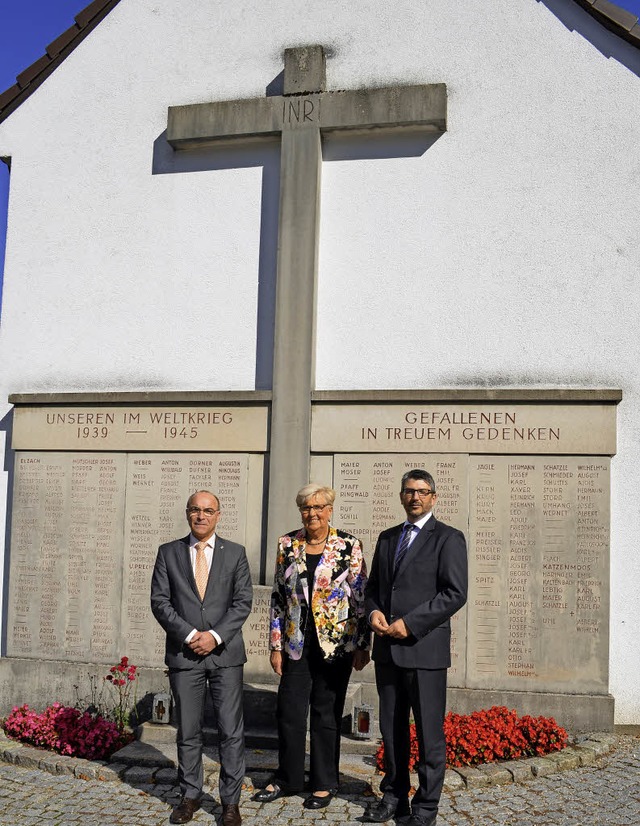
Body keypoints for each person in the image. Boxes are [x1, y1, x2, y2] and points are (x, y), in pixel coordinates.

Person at [252, 483, 370, 810]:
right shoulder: (288, 544)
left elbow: (360, 599)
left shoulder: (348, 545)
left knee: (326, 712)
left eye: (319, 507)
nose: (312, 513)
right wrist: (275, 645)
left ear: (330, 510)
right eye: (306, 508)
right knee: (289, 711)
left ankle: (324, 782)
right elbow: (278, 598)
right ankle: (288, 778)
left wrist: (363, 644)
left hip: (336, 645)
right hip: (296, 644)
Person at [363, 469, 467, 826]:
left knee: (428, 734)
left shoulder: (449, 538)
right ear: (401, 496)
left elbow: (455, 593)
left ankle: (425, 808)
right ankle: (394, 796)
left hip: (424, 651)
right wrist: (373, 611)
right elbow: (373, 588)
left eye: (422, 492)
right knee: (391, 731)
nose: (415, 497)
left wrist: (411, 622)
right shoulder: (388, 537)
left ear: (434, 497)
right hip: (388, 651)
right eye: (409, 491)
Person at [151, 490, 253, 826]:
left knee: (230, 731)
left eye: (208, 510)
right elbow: (160, 603)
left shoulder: (235, 553)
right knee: (188, 731)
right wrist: (193, 636)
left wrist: (215, 636)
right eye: (195, 509)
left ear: (218, 515)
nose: (201, 516)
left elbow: (242, 602)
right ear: (187, 513)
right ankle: (190, 795)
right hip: (185, 655)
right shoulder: (168, 553)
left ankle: (230, 802)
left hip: (225, 655)